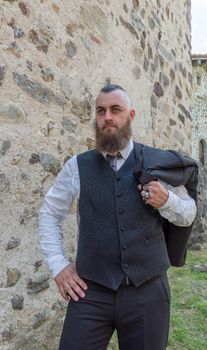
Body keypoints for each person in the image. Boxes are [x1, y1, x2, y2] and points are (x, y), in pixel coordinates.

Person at [39, 84, 197, 350]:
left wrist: (167, 201)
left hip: (148, 291)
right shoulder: (76, 167)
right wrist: (58, 266)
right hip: (91, 291)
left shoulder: (156, 161)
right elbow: (49, 214)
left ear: (131, 115)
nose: (107, 117)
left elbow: (188, 214)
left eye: (116, 110)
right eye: (101, 111)